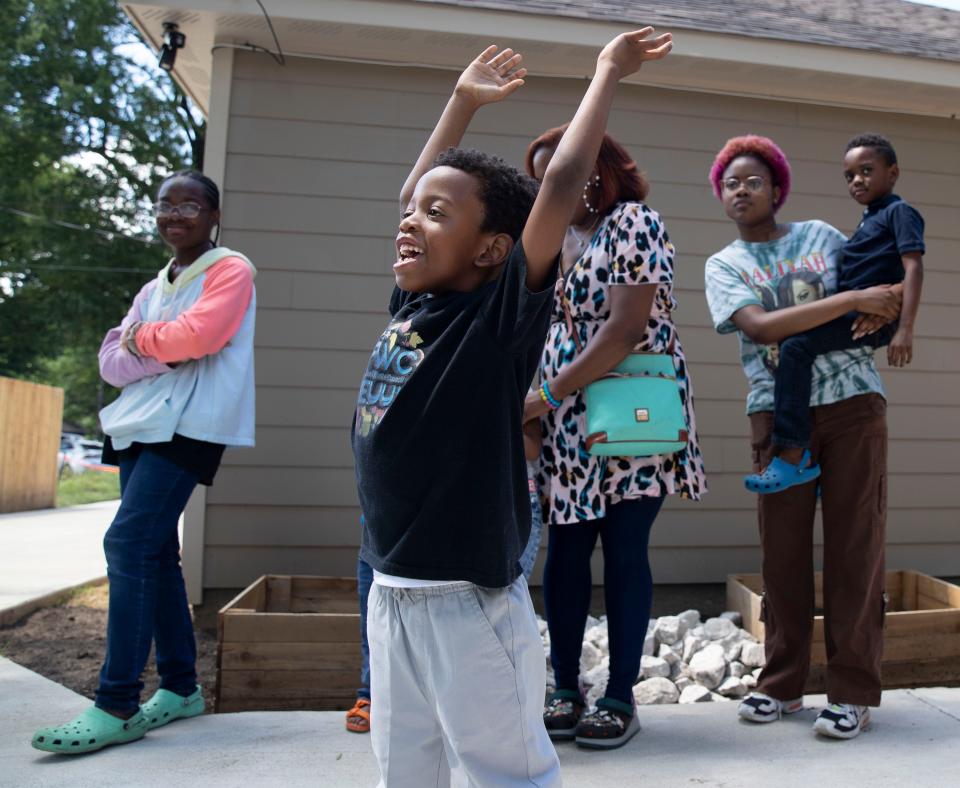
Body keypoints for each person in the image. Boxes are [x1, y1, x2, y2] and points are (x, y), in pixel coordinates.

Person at [353, 29, 672, 786]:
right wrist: (460, 103)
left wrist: (606, 71)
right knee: (405, 766)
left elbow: (560, 187)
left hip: (466, 598)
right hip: (389, 585)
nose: (411, 220)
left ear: (493, 250)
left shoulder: (494, 321)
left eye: (438, 215)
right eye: (416, 211)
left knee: (506, 771)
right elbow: (410, 192)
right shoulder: (412, 305)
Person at [31, 171, 256, 755]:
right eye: (164, 204)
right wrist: (155, 347)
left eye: (189, 204)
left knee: (128, 545)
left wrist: (141, 343)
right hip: (139, 426)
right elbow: (110, 361)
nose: (174, 214)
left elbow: (201, 337)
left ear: (213, 215)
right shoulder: (157, 285)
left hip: (188, 429)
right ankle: (181, 688)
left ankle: (117, 702)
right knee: (154, 552)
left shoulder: (231, 270)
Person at [704, 135, 901, 740]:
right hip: (776, 418)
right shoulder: (724, 265)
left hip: (851, 405)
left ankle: (852, 691)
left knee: (854, 550)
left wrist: (876, 305)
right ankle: (782, 684)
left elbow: (879, 298)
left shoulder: (821, 236)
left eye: (754, 180)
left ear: (776, 188)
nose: (742, 190)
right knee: (782, 554)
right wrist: (848, 301)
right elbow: (759, 325)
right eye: (731, 183)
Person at [523, 128, 706, 750]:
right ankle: (566, 688)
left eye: (561, 174)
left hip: (632, 412)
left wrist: (543, 395)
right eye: (541, 179)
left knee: (626, 551)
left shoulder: (633, 221)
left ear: (597, 173)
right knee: (566, 555)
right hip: (566, 422)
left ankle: (621, 696)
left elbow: (626, 329)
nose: (549, 188)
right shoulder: (549, 239)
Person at [740, 133, 924, 493]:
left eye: (867, 171)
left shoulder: (899, 213)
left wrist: (904, 327)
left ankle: (792, 457)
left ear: (893, 173)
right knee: (797, 342)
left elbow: (914, 267)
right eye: (850, 175)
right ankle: (823, 465)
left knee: (795, 347)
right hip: (855, 311)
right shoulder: (870, 219)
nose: (857, 180)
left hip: (873, 319)